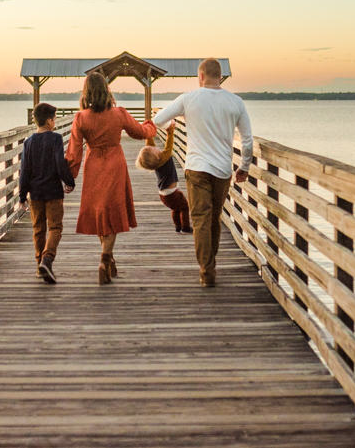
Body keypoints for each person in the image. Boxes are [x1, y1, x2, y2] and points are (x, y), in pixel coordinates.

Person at [151, 57, 252, 287]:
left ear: (201, 76)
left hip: (196, 168)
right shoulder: (236, 102)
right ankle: (210, 263)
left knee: (200, 219)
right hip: (223, 170)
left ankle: (207, 270)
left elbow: (158, 119)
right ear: (220, 76)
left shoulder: (188, 99)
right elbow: (247, 140)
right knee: (213, 217)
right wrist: (244, 167)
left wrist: (170, 127)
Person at [67, 71, 157, 284]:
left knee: (100, 213)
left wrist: (70, 177)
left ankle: (108, 259)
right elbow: (140, 132)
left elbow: (74, 151)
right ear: (106, 90)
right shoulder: (119, 113)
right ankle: (105, 260)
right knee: (112, 213)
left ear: (86, 92)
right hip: (115, 164)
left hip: (94, 165)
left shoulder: (81, 118)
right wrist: (152, 125)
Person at [18, 102, 76, 284]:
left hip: (35, 193)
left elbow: (24, 170)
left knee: (38, 229)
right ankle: (47, 259)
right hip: (53, 192)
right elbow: (60, 163)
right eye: (55, 118)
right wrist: (69, 181)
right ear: (50, 121)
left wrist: (22, 195)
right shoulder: (56, 139)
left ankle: (39, 267)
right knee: (55, 228)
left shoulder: (28, 142)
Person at [136, 122, 192, 233]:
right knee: (184, 207)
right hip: (172, 193)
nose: (156, 148)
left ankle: (178, 226)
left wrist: (149, 132)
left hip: (164, 195)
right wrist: (170, 132)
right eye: (155, 149)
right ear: (156, 155)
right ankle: (185, 227)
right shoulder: (163, 159)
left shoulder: (156, 161)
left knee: (175, 208)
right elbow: (169, 147)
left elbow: (149, 146)